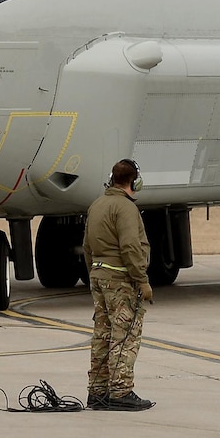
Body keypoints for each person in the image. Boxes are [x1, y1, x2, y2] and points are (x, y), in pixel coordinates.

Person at [84, 158, 154, 411]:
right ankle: (120, 391)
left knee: (102, 334)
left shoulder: (97, 205)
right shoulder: (125, 208)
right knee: (124, 335)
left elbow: (87, 247)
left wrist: (94, 272)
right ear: (134, 182)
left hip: (99, 276)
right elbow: (129, 246)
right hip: (120, 280)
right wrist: (142, 281)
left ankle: (98, 391)